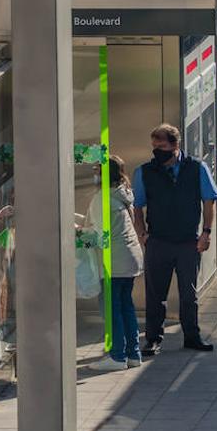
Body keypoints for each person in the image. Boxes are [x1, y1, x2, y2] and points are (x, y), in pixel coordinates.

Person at [132, 124, 217, 354]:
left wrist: (207, 233)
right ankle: (152, 339)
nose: (157, 151)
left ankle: (192, 336)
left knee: (189, 294)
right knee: (155, 294)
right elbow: (137, 206)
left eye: (161, 147)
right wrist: (143, 235)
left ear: (176, 145)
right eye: (154, 147)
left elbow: (209, 201)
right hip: (158, 241)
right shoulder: (145, 172)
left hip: (188, 241)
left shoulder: (196, 168)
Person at [89, 156, 145, 371]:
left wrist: (76, 233)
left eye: (96, 170)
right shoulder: (122, 194)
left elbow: (98, 235)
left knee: (113, 310)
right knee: (126, 307)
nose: (93, 175)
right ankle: (133, 353)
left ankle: (117, 356)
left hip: (115, 261)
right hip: (129, 258)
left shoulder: (102, 199)